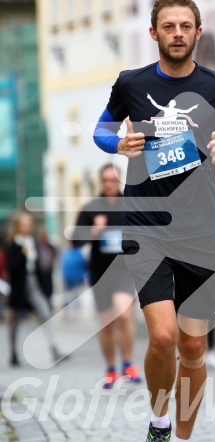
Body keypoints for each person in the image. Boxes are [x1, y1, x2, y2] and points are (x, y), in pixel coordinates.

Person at [93, 0, 215, 442]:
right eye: (167, 26)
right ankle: (159, 425)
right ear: (154, 33)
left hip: (200, 232)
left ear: (198, 31)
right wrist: (117, 142)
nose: (176, 33)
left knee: (192, 346)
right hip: (146, 225)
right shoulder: (132, 83)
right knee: (164, 337)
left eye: (185, 26)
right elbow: (102, 131)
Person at [71, 163, 140, 388]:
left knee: (123, 316)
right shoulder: (91, 208)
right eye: (106, 180)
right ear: (101, 181)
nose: (109, 184)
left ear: (119, 181)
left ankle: (128, 363)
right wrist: (94, 230)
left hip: (124, 271)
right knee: (107, 325)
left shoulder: (130, 205)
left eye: (113, 180)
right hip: (100, 273)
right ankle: (111, 369)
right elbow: (75, 240)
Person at [4, 212, 63, 366]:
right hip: (17, 287)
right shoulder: (12, 244)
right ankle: (13, 353)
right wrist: (23, 254)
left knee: (46, 312)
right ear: (18, 226)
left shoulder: (34, 242)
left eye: (29, 224)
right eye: (24, 224)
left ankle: (54, 349)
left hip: (33, 284)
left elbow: (40, 266)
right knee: (14, 322)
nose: (28, 227)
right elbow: (11, 266)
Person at [36, 227, 56, 308]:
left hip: (48, 272)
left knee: (49, 291)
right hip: (40, 274)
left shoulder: (50, 246)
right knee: (41, 292)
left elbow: (54, 255)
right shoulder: (36, 246)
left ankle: (49, 307)